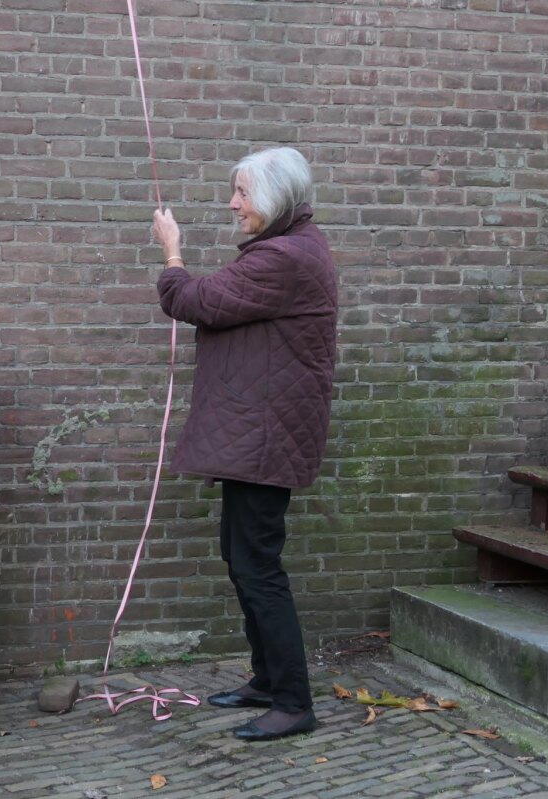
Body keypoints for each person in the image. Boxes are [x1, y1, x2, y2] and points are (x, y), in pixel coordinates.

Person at [151, 147, 337, 742]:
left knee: (259, 569)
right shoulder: (293, 248)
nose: (233, 204)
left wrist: (172, 250)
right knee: (242, 559)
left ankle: (293, 702)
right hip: (259, 435)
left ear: (276, 198)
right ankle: (265, 680)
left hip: (266, 439)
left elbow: (192, 300)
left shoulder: (282, 258)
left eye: (242, 193)